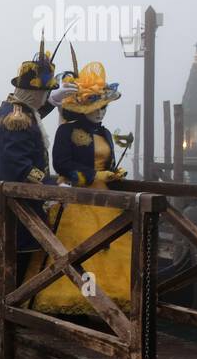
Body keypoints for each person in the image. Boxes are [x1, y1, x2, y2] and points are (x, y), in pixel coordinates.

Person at [26, 61, 131, 313]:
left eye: (103, 108)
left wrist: (114, 173)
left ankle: (108, 302)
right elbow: (61, 164)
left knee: (107, 246)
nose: (101, 113)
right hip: (75, 197)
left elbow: (108, 161)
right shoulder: (67, 131)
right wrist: (95, 174)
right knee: (76, 249)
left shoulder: (105, 133)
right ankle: (74, 299)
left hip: (105, 199)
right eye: (96, 108)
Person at [0, 37, 66, 280]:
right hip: (21, 200)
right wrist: (48, 186)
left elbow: (32, 120)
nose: (46, 97)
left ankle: (17, 300)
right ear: (33, 93)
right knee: (21, 256)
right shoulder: (16, 117)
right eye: (45, 93)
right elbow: (20, 165)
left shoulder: (17, 110)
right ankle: (13, 302)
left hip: (21, 199)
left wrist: (53, 103)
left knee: (24, 254)